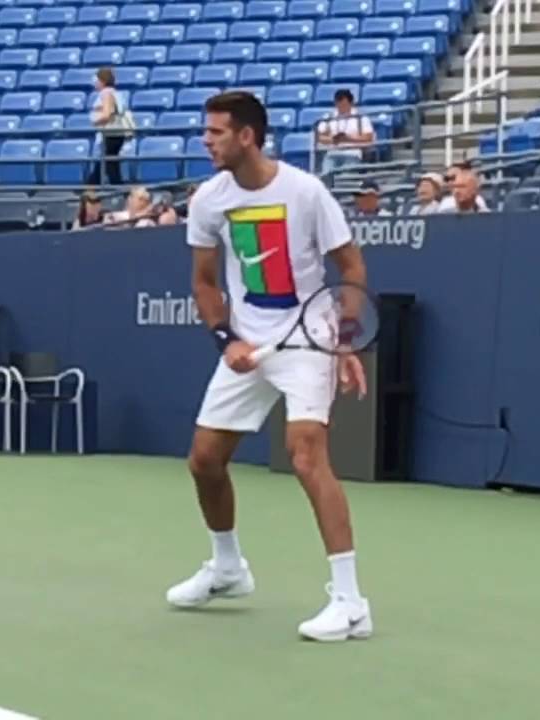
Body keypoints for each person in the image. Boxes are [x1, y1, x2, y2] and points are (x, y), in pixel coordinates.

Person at [168, 91, 372, 642]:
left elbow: (350, 266)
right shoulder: (209, 200)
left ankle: (351, 602)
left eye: (215, 133)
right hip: (249, 344)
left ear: (247, 136)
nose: (206, 141)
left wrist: (345, 341)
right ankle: (228, 567)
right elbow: (204, 284)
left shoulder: (306, 191)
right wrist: (225, 339)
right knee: (205, 461)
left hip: (308, 337)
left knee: (306, 455)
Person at [87, 67, 130, 187]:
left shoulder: (106, 93)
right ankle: (90, 188)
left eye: (96, 80)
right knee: (109, 164)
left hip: (110, 133)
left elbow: (107, 113)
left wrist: (95, 121)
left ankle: (89, 189)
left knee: (108, 164)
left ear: (102, 80)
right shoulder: (116, 93)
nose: (95, 83)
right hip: (116, 134)